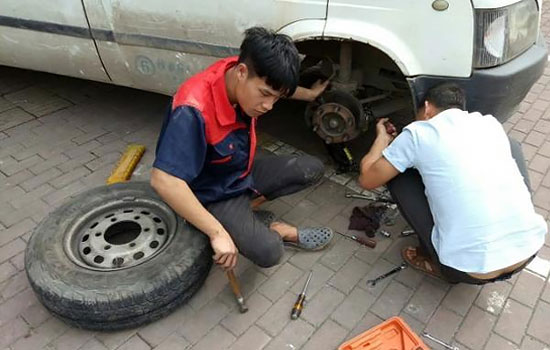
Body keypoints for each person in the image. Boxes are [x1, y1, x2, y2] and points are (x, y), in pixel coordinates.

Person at [151, 27, 333, 271]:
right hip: (214, 193)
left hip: (239, 171)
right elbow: (163, 180)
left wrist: (309, 94)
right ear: (242, 73)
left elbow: (274, 86)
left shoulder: (238, 70)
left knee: (312, 168)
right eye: (265, 95)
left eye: (276, 98)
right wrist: (217, 233)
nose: (269, 106)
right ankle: (268, 229)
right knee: (269, 252)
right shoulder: (192, 110)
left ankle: (246, 213)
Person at [358, 83, 547, 284]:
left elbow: (367, 180)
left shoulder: (418, 133)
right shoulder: (489, 124)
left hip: (468, 271)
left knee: (398, 175)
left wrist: (382, 139)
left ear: (428, 108)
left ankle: (432, 260)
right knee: (511, 146)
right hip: (528, 250)